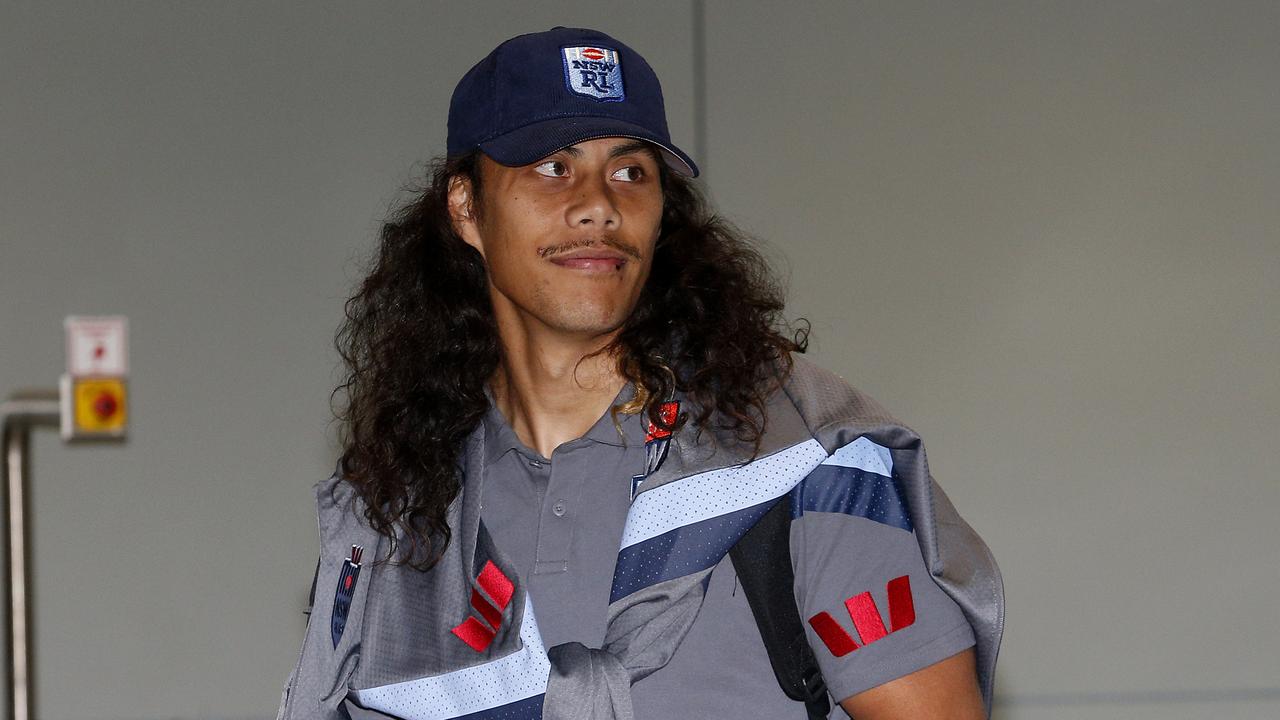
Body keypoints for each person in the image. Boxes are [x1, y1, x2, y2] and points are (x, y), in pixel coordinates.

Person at [277, 26, 1003, 720]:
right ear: (466, 208)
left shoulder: (795, 458)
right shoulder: (398, 520)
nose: (598, 205)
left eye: (631, 172)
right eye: (552, 167)